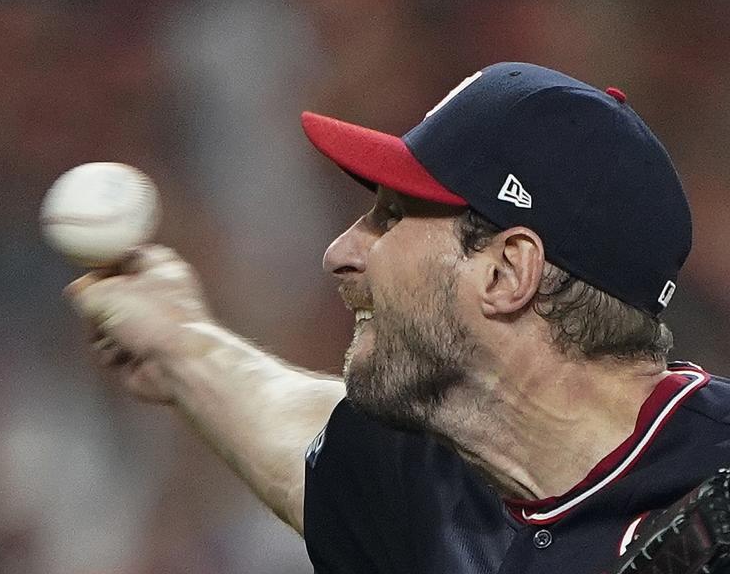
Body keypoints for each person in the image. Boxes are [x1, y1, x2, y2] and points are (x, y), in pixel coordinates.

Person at [66, 62, 730, 573]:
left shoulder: (714, 479)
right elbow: (303, 443)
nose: (340, 253)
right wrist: (182, 347)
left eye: (390, 215)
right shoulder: (432, 482)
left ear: (505, 272)